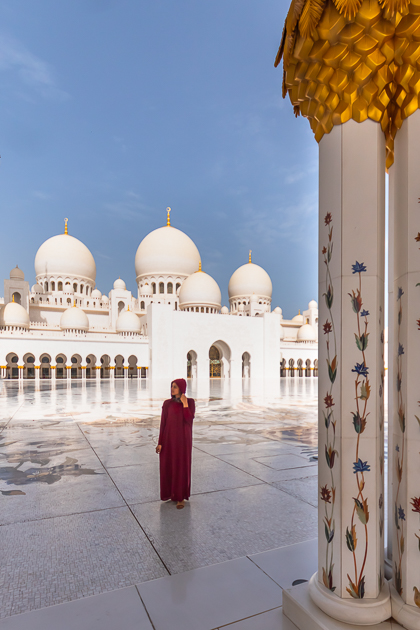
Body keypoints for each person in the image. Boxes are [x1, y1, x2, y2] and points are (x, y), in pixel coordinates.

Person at [156, 378, 195, 509]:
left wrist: (185, 404)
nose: (172, 389)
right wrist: (160, 442)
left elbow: (189, 420)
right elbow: (163, 423)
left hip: (183, 441)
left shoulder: (190, 402)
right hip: (169, 440)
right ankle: (170, 494)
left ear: (182, 389)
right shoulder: (167, 404)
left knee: (181, 467)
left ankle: (180, 497)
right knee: (168, 466)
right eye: (172, 386)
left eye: (175, 387)